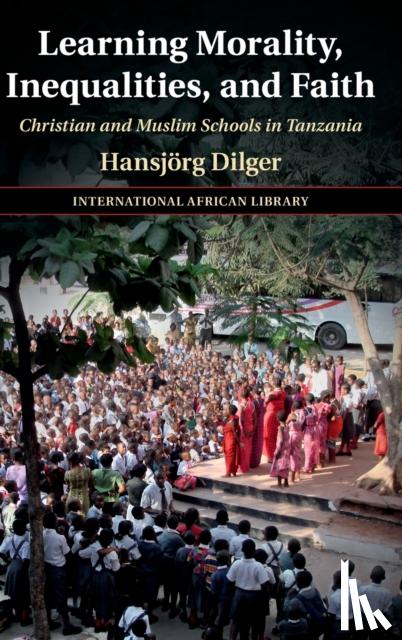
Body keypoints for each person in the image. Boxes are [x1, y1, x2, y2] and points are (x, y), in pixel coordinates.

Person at [43, 511, 82, 635]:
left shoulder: (40, 535)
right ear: (54, 523)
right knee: (62, 598)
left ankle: (49, 621)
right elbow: (67, 553)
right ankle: (67, 626)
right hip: (58, 569)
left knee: (47, 597)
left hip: (45, 569)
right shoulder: (60, 537)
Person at [226, 538, 270, 640]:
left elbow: (229, 580)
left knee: (236, 621)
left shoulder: (236, 564)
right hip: (254, 597)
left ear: (242, 550)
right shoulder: (258, 566)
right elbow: (265, 585)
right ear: (254, 551)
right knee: (253, 622)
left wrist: (234, 593)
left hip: (239, 595)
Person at [0, 519, 31, 626]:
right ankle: (24, 618)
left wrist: (8, 561)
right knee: (24, 594)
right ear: (24, 529)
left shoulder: (9, 539)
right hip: (21, 569)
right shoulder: (26, 544)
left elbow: (1, 552)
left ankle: (17, 614)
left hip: (12, 567)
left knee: (14, 593)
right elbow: (26, 561)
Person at [91, 528, 120, 636]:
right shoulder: (112, 553)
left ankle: (98, 621)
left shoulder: (94, 547)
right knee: (108, 599)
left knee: (97, 598)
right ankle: (106, 622)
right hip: (106, 578)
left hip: (94, 576)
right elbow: (116, 568)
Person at [158, 515, 185, 618]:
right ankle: (173, 608)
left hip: (163, 564)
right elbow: (183, 549)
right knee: (174, 587)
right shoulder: (178, 538)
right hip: (173, 566)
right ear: (177, 524)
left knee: (166, 585)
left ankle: (165, 603)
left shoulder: (162, 534)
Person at [263, 377, 285, 463]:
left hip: (271, 416)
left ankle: (271, 456)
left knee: (270, 436)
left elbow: (271, 397)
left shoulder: (275, 393)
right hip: (279, 415)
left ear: (273, 384)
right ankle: (277, 454)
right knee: (278, 435)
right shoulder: (283, 392)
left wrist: (266, 398)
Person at [271, 411, 290, 488]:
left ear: (278, 419)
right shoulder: (287, 426)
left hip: (281, 449)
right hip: (287, 448)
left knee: (279, 465)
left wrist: (277, 451)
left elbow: (281, 440)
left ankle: (279, 483)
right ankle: (286, 482)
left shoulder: (280, 428)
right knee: (285, 465)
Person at [239, 387, 256, 474]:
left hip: (244, 428)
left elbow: (240, 419)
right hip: (251, 427)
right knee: (249, 448)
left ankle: (243, 467)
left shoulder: (241, 405)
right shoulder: (252, 404)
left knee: (243, 449)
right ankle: (247, 466)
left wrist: (242, 429)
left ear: (241, 396)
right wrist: (253, 428)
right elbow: (255, 418)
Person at [287, 401, 304, 483]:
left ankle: (292, 478)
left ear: (293, 407)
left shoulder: (292, 415)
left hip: (292, 435)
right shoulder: (302, 413)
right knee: (298, 454)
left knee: (292, 456)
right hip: (299, 434)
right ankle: (298, 475)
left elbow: (286, 425)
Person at [222, 403, 240, 477]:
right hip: (228, 440)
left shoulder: (232, 420)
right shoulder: (232, 419)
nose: (225, 411)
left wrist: (239, 442)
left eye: (227, 409)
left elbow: (235, 432)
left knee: (230, 457)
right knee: (231, 456)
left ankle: (228, 473)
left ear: (230, 411)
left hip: (230, 441)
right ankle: (233, 471)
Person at [302, 394, 319, 474]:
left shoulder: (304, 410)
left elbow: (302, 421)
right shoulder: (315, 408)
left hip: (308, 430)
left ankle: (307, 467)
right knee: (314, 448)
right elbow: (317, 418)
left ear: (306, 401)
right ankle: (312, 466)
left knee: (307, 449)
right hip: (315, 429)